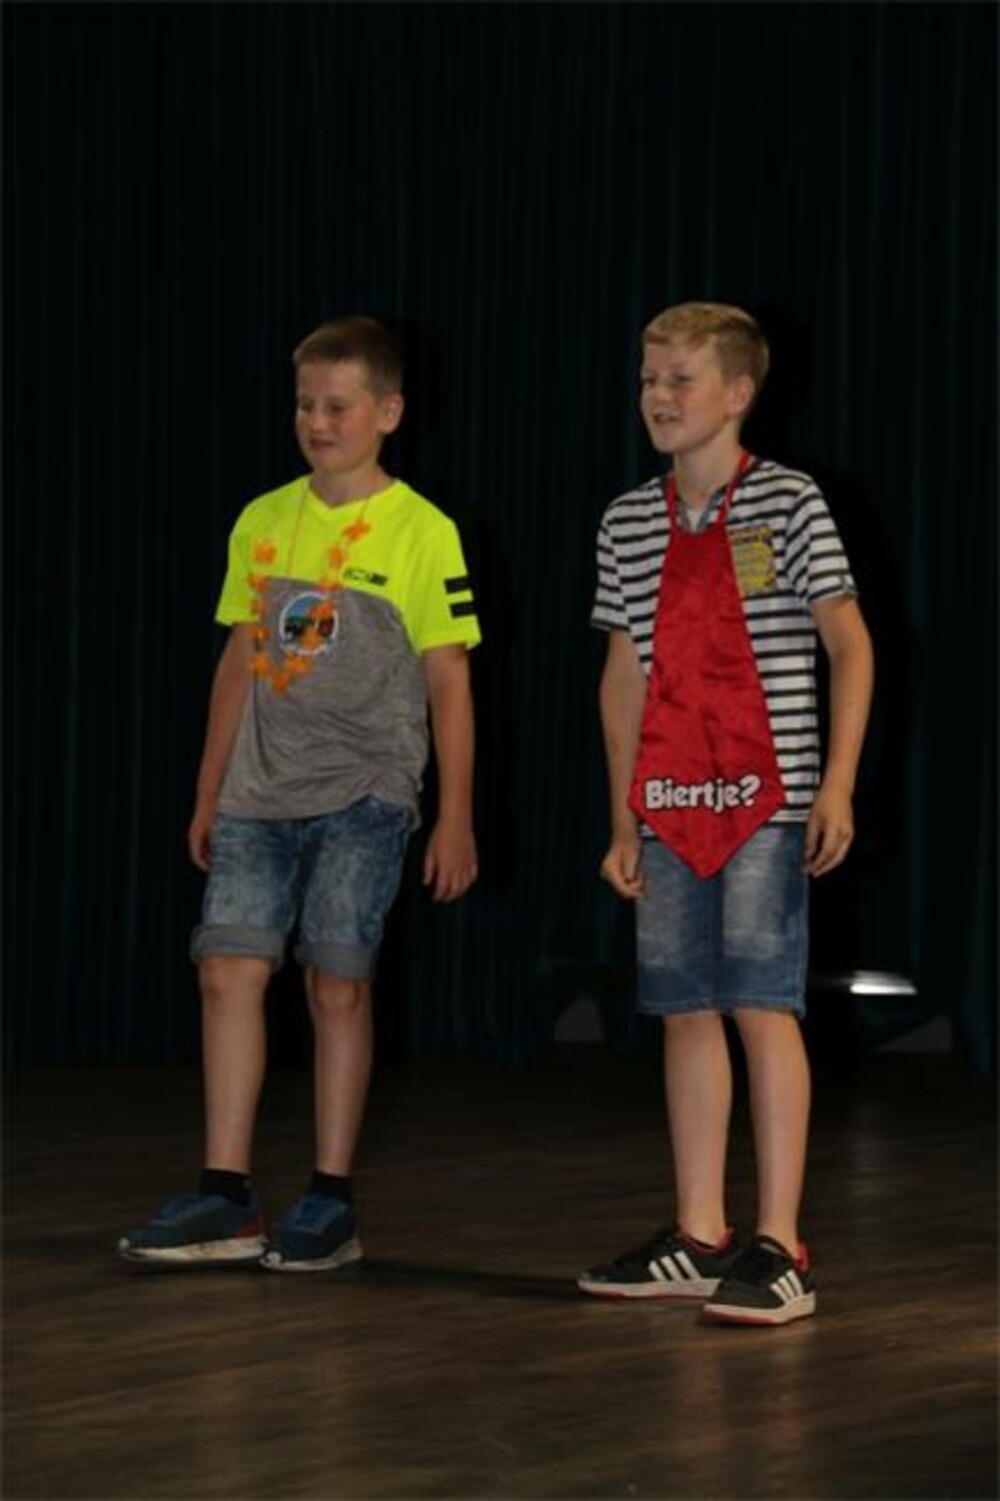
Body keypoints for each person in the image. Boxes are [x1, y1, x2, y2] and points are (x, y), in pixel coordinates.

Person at [119, 316, 480, 1271]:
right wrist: (209, 788)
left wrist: (455, 814)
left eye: (338, 406)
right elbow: (239, 658)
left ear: (388, 412)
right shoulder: (263, 519)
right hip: (259, 788)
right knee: (227, 970)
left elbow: (449, 679)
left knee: (336, 981)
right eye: (304, 405)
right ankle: (224, 1191)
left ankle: (330, 1196)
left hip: (366, 790)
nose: (317, 422)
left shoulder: (423, 529)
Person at [579, 302, 873, 1324]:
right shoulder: (627, 519)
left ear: (739, 394)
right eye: (647, 379)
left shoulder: (789, 502)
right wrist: (625, 816)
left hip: (766, 799)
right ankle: (699, 1231)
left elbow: (849, 643)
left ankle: (778, 1241)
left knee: (760, 1002)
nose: (658, 397)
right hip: (668, 800)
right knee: (683, 1008)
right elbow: (623, 673)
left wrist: (834, 783)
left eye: (680, 380)